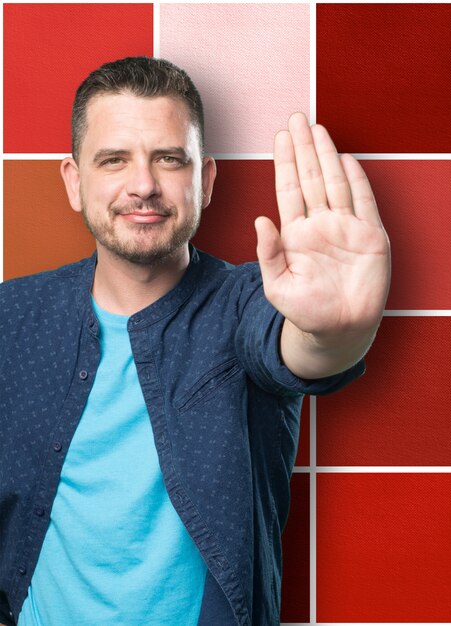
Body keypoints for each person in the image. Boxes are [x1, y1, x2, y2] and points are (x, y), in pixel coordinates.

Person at [0, 56, 390, 626]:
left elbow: (301, 349)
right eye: (114, 160)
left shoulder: (251, 303)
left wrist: (338, 329)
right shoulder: (12, 317)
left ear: (205, 180)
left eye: (168, 159)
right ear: (74, 181)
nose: (143, 185)